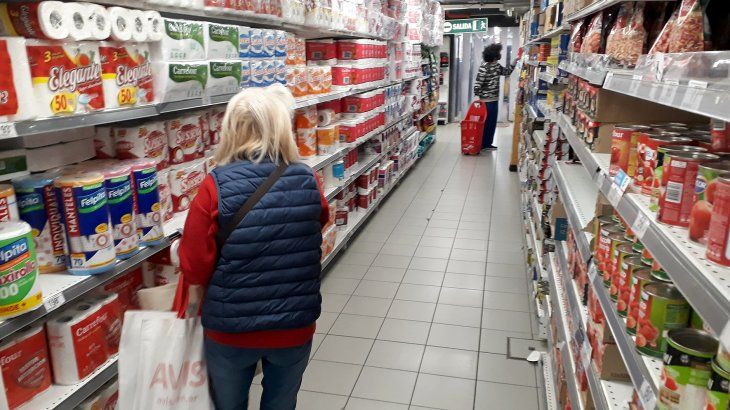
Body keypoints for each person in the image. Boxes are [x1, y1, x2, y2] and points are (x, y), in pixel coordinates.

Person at [177, 84, 329, 410]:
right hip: (294, 324)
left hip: (230, 330)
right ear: (282, 127)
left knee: (228, 404)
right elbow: (318, 224)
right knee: (281, 402)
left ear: (230, 130)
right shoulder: (308, 179)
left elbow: (194, 268)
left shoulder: (214, 186)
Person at [473, 43, 515, 150]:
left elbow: (507, 72)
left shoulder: (497, 66)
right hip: (486, 101)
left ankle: (488, 144)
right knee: (486, 123)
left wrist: (515, 62)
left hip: (494, 99)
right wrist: (478, 97)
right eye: (499, 52)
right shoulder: (484, 67)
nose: (500, 54)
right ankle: (482, 144)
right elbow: (478, 83)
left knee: (492, 123)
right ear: (494, 54)